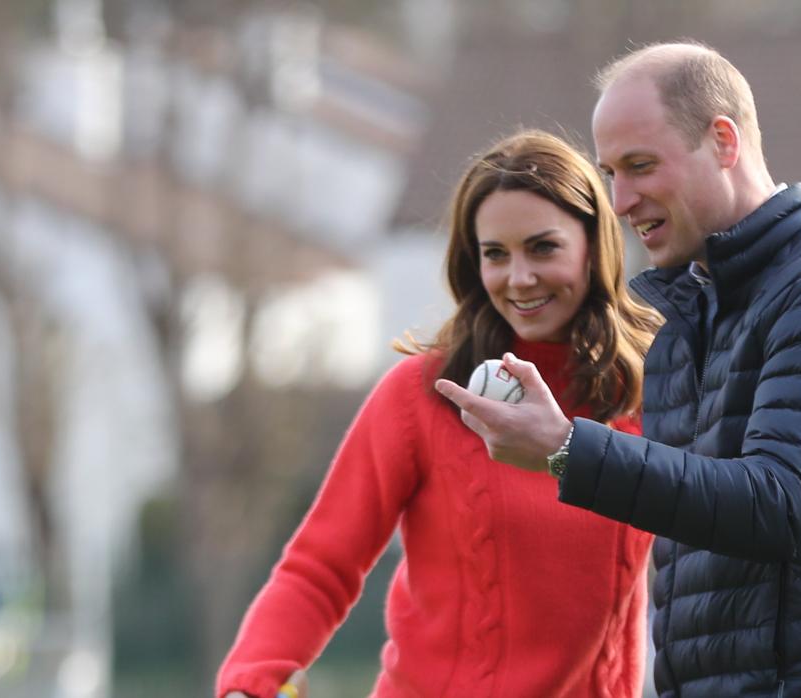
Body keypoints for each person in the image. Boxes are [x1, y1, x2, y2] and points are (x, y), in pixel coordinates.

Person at [436, 42, 801, 697]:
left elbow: (777, 505)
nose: (619, 200)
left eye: (641, 167)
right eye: (610, 172)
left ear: (723, 142)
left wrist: (564, 450)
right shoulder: (674, 311)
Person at [216, 129, 662, 698]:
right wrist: (250, 683)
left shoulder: (650, 392)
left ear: (594, 246)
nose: (518, 278)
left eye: (543, 247)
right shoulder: (422, 394)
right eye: (495, 254)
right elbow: (319, 566)